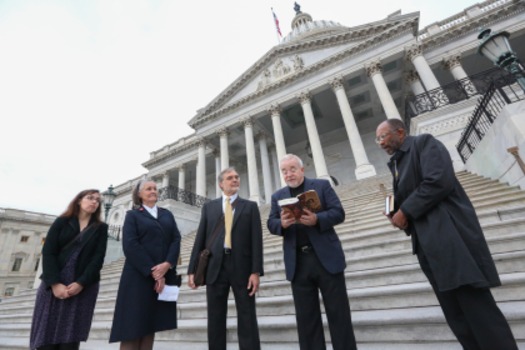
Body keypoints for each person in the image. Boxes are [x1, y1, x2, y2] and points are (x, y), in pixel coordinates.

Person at [376, 119, 518, 350]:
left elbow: (438, 181)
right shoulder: (398, 164)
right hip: (426, 245)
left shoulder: (424, 143)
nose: (380, 143)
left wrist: (406, 210)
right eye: (378, 139)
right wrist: (397, 215)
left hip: (450, 237)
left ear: (400, 132)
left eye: (383, 136)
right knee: (456, 315)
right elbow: (411, 198)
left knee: (477, 309)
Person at [267, 154, 357, 350]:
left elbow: (338, 212)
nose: (288, 174)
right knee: (307, 320)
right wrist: (281, 224)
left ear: (302, 169)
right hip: (298, 262)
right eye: (284, 171)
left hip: (326, 259)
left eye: (292, 169)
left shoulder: (321, 186)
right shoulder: (277, 196)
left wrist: (318, 219)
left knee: (339, 314)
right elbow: (270, 223)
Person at [187, 167, 264, 350]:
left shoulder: (250, 207)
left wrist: (256, 271)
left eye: (237, 177)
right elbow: (200, 239)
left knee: (247, 315)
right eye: (230, 178)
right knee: (215, 317)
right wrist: (192, 269)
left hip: (242, 268)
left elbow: (256, 240)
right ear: (221, 184)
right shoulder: (209, 207)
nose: (235, 180)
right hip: (215, 266)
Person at [30, 189, 108, 350]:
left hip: (83, 286)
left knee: (70, 340)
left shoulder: (100, 228)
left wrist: (81, 283)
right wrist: (54, 283)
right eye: (90, 198)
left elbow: (98, 258)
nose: (94, 202)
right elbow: (49, 252)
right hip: (54, 283)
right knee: (46, 336)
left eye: (98, 200)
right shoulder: (62, 221)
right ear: (79, 200)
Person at [109, 179, 181, 350]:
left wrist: (168, 264)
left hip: (163, 275)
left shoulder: (166, 214)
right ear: (139, 194)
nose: (153, 191)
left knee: (151, 324)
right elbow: (131, 245)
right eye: (148, 189)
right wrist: (154, 271)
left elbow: (176, 239)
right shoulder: (133, 215)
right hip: (138, 277)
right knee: (132, 326)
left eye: (155, 189)